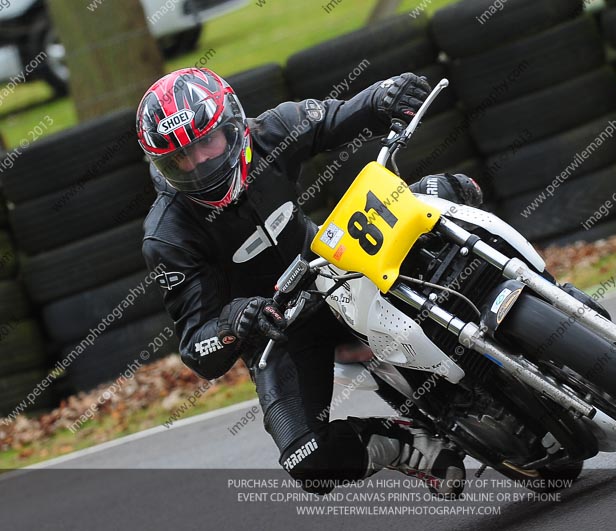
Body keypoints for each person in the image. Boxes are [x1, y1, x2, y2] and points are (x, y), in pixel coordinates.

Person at [136, 67, 483, 497]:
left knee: (445, 196)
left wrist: (386, 95)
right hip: (277, 329)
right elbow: (196, 346)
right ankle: (402, 445)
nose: (200, 164)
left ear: (234, 124)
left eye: (207, 141)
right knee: (308, 461)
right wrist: (231, 323)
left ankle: (527, 307)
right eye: (181, 159)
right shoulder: (167, 234)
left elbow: (343, 114)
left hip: (338, 267)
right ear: (162, 165)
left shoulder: (271, 130)